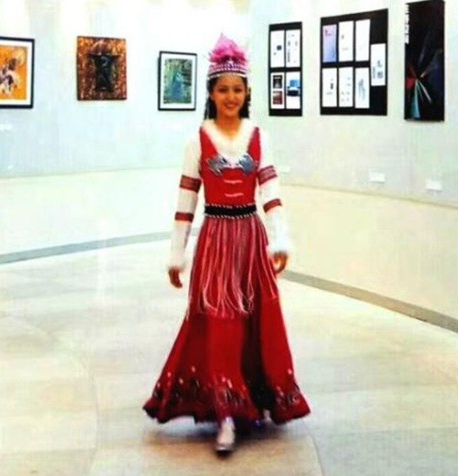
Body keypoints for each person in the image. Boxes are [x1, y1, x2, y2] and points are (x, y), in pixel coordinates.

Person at [143, 34, 310, 455]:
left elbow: (270, 192)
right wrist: (177, 254)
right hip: (215, 239)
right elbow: (186, 202)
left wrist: (280, 238)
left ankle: (253, 398)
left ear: (247, 92)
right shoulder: (197, 140)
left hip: (250, 239)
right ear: (211, 93)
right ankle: (224, 413)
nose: (231, 97)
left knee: (256, 323)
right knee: (220, 325)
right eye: (223, 90)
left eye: (237, 89)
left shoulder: (259, 136)